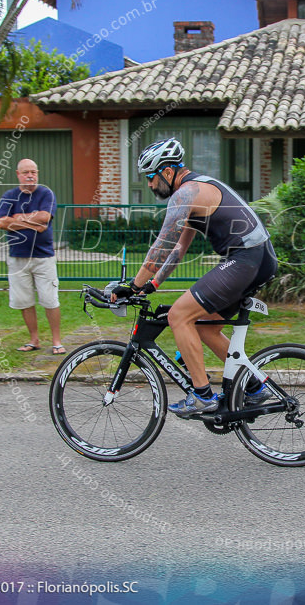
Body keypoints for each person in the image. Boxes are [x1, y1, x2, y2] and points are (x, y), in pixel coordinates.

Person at [111, 138, 278, 416]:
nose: (150, 185)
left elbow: (161, 245)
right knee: (204, 326)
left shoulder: (186, 193)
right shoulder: (194, 190)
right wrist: (150, 286)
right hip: (255, 258)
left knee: (179, 316)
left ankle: (202, 396)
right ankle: (253, 388)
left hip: (246, 258)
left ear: (166, 172)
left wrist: (132, 286)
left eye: (151, 178)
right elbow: (177, 249)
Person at [0, 158, 63, 354]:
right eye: (26, 172)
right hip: (18, 257)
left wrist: (17, 218)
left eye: (33, 172)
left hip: (43, 257)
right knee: (24, 300)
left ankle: (56, 341)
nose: (30, 175)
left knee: (50, 299)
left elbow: (45, 218)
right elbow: (2, 223)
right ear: (18, 174)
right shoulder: (9, 196)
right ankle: (34, 340)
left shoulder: (45, 193)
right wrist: (32, 223)